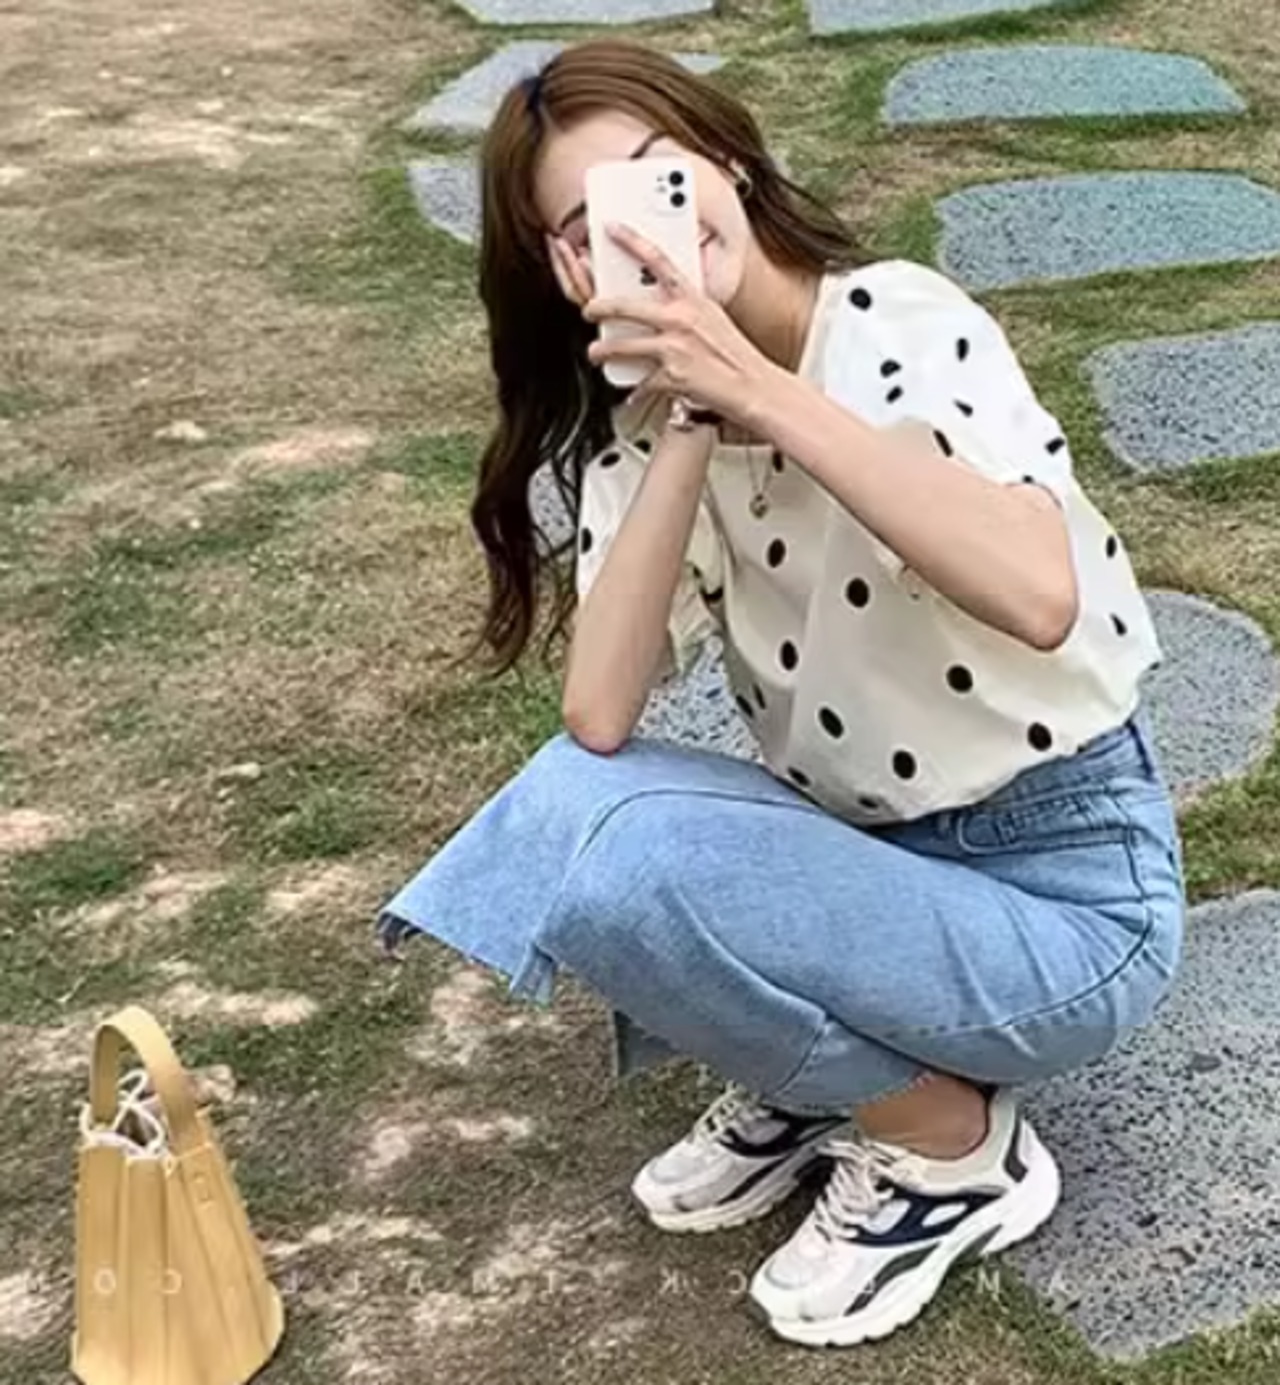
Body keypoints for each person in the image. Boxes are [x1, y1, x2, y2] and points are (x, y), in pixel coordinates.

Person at [376, 38, 1186, 1348]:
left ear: (730, 163)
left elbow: (1041, 594)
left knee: (627, 876)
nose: (639, 234)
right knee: (570, 817)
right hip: (874, 862)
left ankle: (948, 1144)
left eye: (656, 180)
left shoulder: (900, 321)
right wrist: (693, 414)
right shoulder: (654, 424)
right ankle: (834, 1072)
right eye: (583, 231)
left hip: (1067, 900)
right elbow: (598, 714)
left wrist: (756, 382)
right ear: (568, 278)